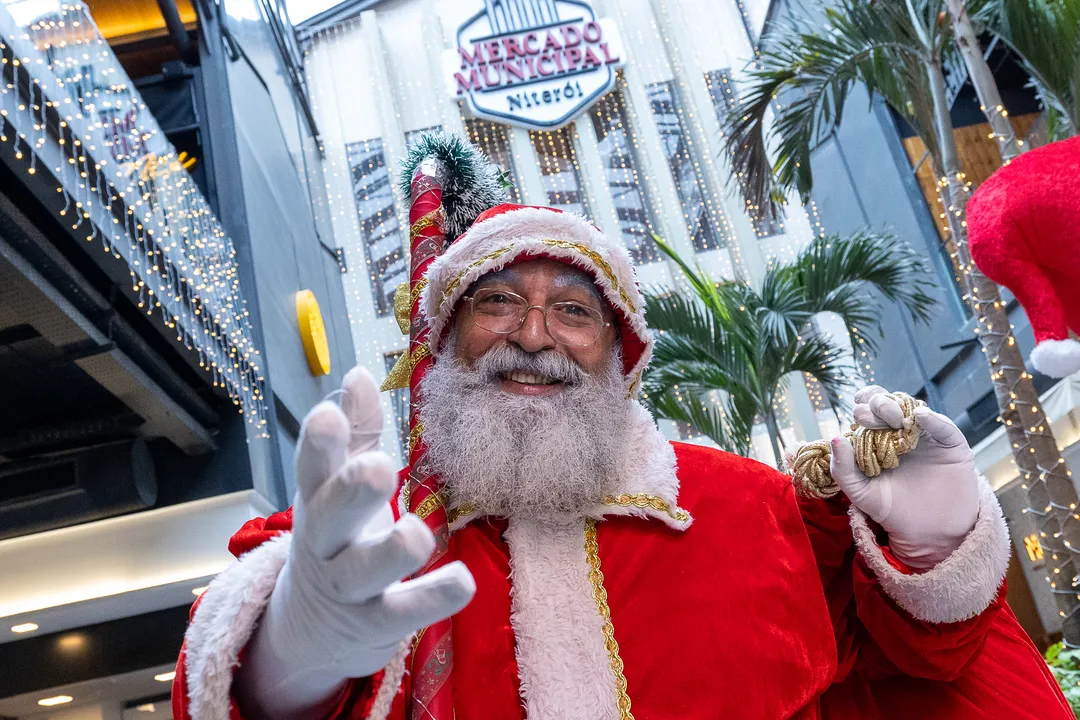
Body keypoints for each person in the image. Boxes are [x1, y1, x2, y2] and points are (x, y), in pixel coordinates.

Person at [171, 136, 1070, 720]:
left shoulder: (759, 510)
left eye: (572, 309)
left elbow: (926, 666)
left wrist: (937, 550)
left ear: (618, 355)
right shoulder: (372, 535)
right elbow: (233, 690)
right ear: (441, 344)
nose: (532, 335)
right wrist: (294, 649)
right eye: (496, 302)